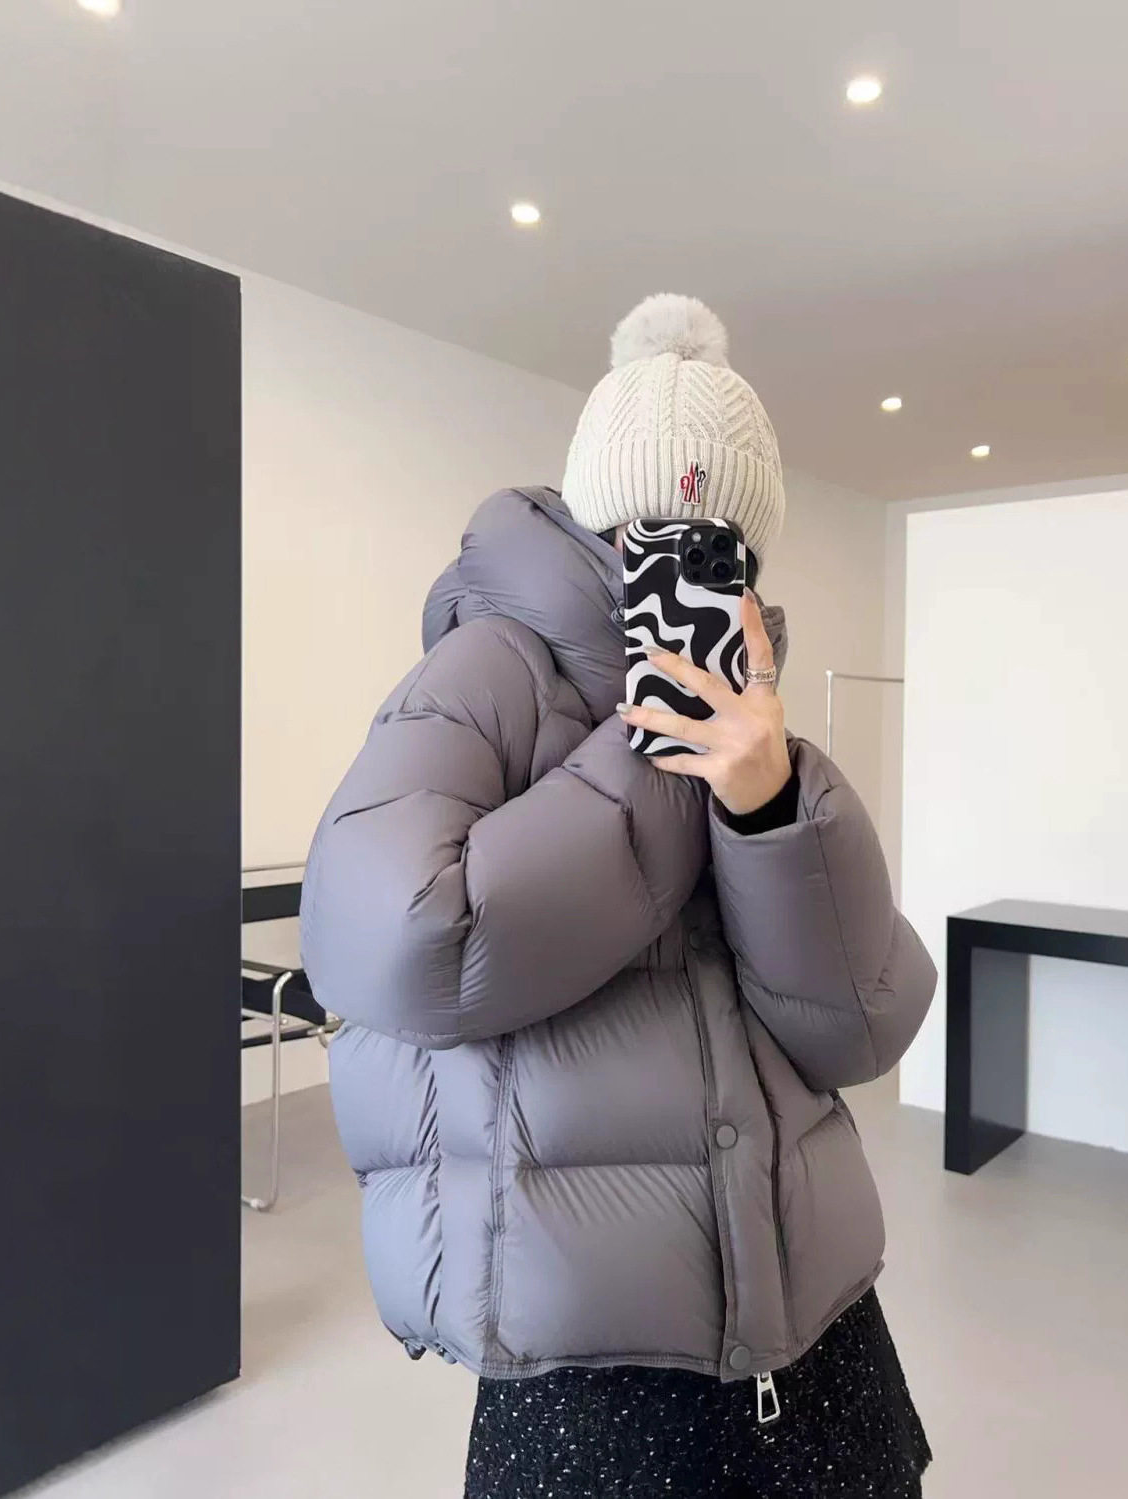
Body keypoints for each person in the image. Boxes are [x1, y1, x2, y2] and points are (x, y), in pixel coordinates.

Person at [301, 294, 938, 1497]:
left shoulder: (757, 718)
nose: (680, 556)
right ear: (593, 511)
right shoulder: (489, 668)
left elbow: (859, 1026)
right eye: (648, 525)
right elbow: (398, 943)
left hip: (815, 1335)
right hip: (592, 1374)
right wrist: (650, 755)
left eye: (719, 540)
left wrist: (765, 804)